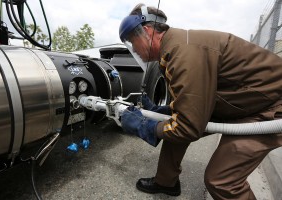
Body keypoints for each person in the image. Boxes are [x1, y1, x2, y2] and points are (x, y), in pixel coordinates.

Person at [119, 3, 282, 199]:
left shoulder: (183, 54)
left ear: (147, 31)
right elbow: (189, 102)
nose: (133, 49)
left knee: (221, 180)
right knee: (173, 124)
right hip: (243, 101)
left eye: (131, 41)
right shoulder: (174, 47)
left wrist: (144, 125)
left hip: (268, 108)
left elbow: (188, 127)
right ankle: (166, 182)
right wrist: (162, 111)